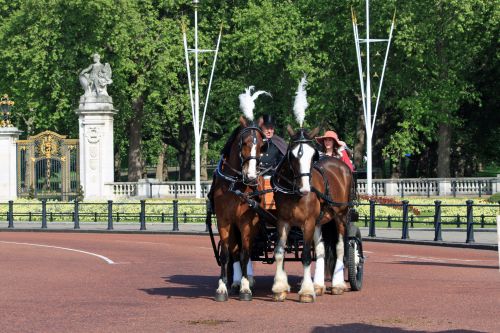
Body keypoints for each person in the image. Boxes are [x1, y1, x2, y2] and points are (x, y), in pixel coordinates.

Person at [258, 114, 287, 209]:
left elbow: (283, 161)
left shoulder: (278, 143)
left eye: (271, 128)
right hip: (256, 178)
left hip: (272, 180)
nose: (269, 131)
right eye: (267, 128)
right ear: (261, 128)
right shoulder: (255, 142)